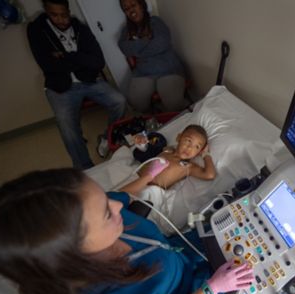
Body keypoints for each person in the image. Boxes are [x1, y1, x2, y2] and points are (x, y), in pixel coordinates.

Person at [0, 167, 254, 294]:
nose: (116, 207)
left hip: (179, 255)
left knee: (242, 226)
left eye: (104, 198)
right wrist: (212, 288)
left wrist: (147, 177)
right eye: (107, 213)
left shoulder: (88, 210)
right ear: (74, 255)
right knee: (258, 273)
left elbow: (120, 198)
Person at [27, 0, 127, 169]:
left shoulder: (81, 29)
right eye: (54, 15)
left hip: (90, 80)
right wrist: (80, 58)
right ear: (46, 12)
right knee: (66, 123)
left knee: (120, 101)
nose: (60, 20)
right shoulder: (37, 30)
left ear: (68, 10)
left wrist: (66, 56)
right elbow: (47, 65)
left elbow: (98, 62)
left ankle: (107, 137)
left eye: (64, 14)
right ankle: (85, 167)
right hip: (59, 85)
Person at [118, 0, 186, 113]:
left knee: (173, 103)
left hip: (168, 69)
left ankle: (180, 110)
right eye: (126, 9)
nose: (131, 10)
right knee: (135, 99)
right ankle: (155, 115)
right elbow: (124, 48)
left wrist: (137, 51)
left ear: (141, 5)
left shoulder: (155, 21)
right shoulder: (126, 30)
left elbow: (162, 43)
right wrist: (146, 40)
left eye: (133, 5)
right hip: (143, 73)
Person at [137, 125, 215, 189]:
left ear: (198, 153)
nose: (190, 148)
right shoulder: (168, 150)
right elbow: (149, 153)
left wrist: (206, 154)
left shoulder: (189, 167)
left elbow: (209, 175)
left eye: (197, 147)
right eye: (188, 141)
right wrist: (142, 144)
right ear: (179, 138)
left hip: (149, 191)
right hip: (136, 178)